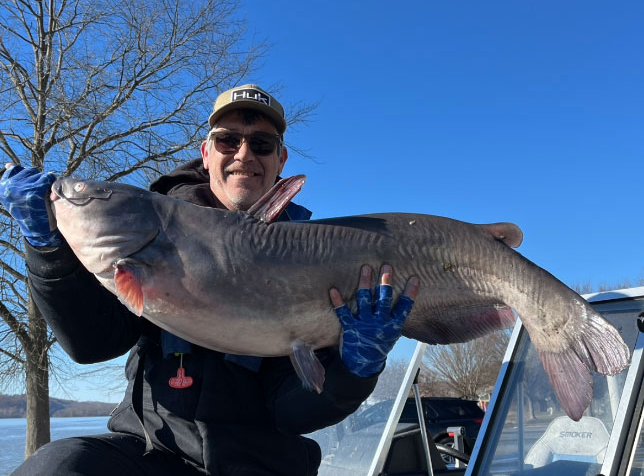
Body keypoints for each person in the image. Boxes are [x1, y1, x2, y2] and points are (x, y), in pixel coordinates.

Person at [0, 84, 419, 476]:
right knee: (58, 466)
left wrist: (355, 369)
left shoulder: (320, 258)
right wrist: (48, 251)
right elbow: (92, 344)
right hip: (151, 451)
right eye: (228, 140)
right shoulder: (149, 233)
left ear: (281, 160)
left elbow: (294, 412)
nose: (244, 154)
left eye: (261, 144)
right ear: (206, 151)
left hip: (266, 463)